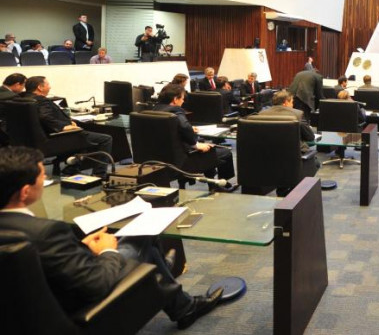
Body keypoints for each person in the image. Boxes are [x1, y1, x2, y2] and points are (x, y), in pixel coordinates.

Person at [0, 146, 224, 330]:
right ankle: (159, 274)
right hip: (79, 307)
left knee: (142, 243)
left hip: (28, 310)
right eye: (42, 175)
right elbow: (96, 284)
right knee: (141, 235)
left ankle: (167, 281)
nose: (46, 177)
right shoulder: (47, 232)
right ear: (25, 192)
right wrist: (106, 251)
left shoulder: (27, 234)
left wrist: (79, 248)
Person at [24, 76, 113, 177]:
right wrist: (64, 127)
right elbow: (45, 116)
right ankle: (99, 174)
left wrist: (68, 123)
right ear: (40, 87)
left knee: (83, 136)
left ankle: (72, 168)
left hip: (34, 140)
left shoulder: (23, 99)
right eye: (47, 84)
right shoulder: (41, 100)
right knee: (105, 139)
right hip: (55, 138)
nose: (50, 87)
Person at [154, 84, 235, 188]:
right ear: (175, 99)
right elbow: (184, 127)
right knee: (225, 152)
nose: (183, 101)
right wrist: (195, 145)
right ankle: (221, 184)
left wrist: (189, 129)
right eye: (182, 99)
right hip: (182, 160)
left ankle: (211, 182)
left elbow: (170, 129)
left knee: (208, 149)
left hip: (159, 158)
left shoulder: (154, 110)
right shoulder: (175, 111)